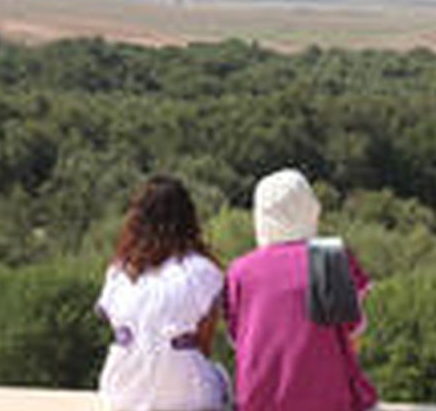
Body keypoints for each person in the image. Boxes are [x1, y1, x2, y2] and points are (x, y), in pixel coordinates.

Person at [225, 169, 378, 411]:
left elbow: (239, 341)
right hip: (328, 400)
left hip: (259, 403)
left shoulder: (239, 271)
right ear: (309, 207)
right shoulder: (330, 257)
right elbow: (354, 334)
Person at [96, 175, 229, 411]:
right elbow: (203, 345)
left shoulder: (118, 272)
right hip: (186, 395)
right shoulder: (202, 271)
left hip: (120, 395)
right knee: (221, 378)